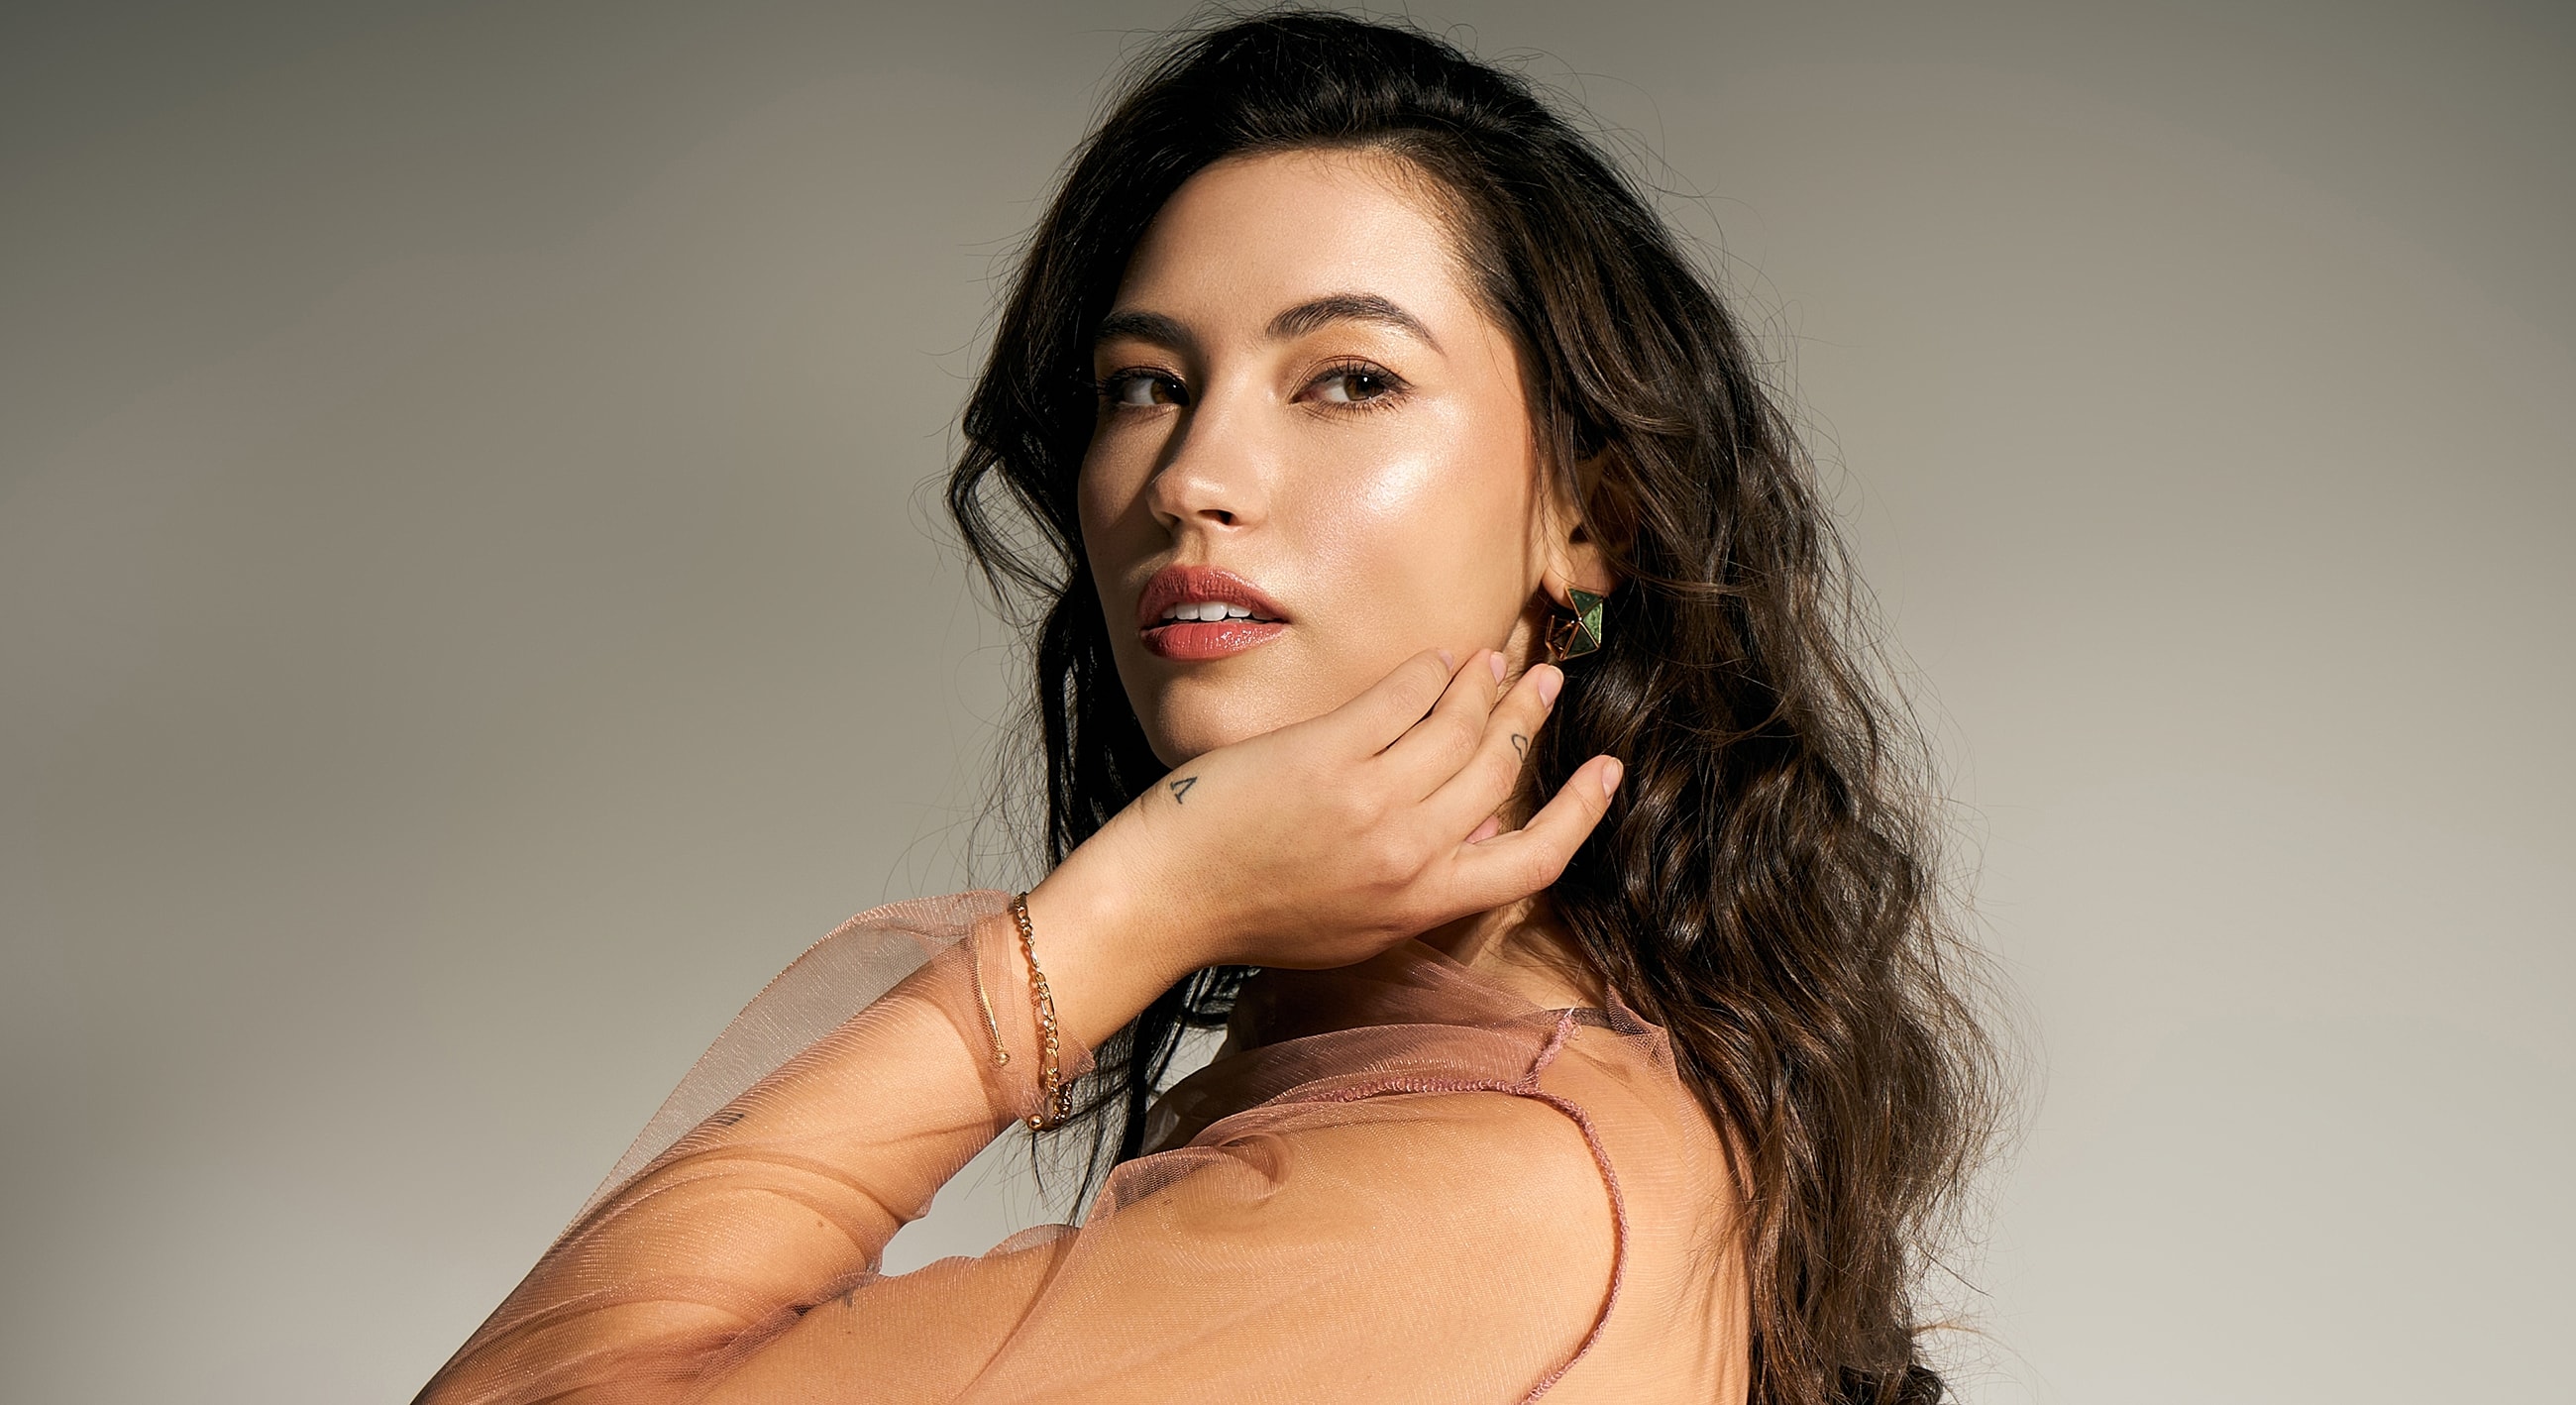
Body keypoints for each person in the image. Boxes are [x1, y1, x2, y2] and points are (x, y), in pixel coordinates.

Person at [415, 13, 1994, 1404]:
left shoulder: (1490, 1179)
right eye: (1145, 386)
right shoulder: (1533, 1099)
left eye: (1349, 380)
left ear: (1591, 515)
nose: (1191, 479)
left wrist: (1136, 901)